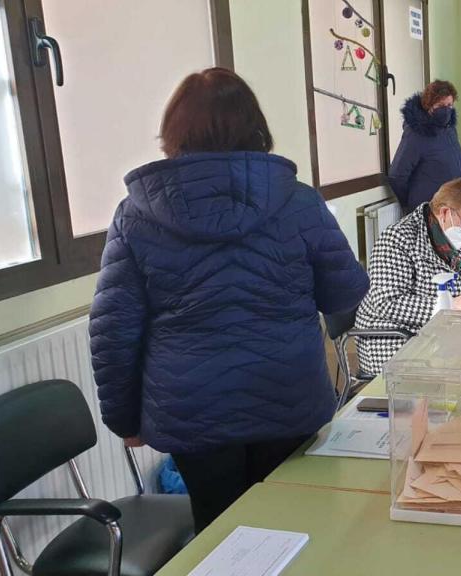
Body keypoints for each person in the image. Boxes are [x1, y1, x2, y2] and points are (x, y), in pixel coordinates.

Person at [89, 68, 369, 533]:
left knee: (219, 534)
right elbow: (344, 293)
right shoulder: (299, 202)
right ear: (255, 128)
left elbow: (113, 331)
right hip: (287, 395)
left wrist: (124, 420)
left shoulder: (135, 215)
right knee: (292, 525)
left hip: (192, 411)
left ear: (175, 132)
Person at [355, 178, 461, 375]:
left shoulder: (450, 236)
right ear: (445, 213)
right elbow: (386, 302)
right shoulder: (397, 239)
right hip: (395, 339)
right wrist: (446, 305)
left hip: (439, 333)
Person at [389, 80, 461, 211]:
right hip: (431, 210)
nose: (446, 110)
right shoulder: (416, 134)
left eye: (449, 105)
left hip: (454, 206)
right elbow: (397, 175)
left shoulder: (450, 129)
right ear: (428, 106)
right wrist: (411, 203)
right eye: (441, 106)